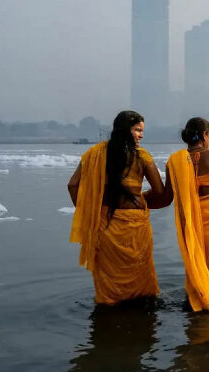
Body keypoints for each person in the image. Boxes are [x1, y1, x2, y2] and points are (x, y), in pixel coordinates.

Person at [67, 110, 164, 305]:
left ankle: (109, 308)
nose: (141, 135)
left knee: (108, 273)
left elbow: (72, 185)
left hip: (105, 222)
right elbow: (160, 191)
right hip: (135, 224)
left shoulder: (94, 154)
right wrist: (141, 198)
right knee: (140, 270)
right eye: (137, 130)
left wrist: (89, 209)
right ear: (125, 129)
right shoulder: (141, 156)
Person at [147, 117, 209, 312]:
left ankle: (197, 309)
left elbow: (166, 199)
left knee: (197, 268)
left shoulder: (174, 161)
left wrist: (136, 202)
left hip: (191, 226)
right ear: (205, 135)